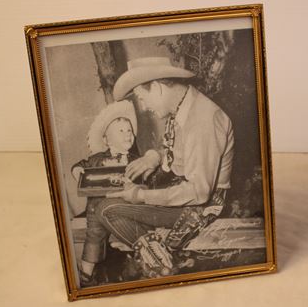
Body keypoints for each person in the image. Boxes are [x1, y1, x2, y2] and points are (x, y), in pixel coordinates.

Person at [93, 56, 235, 279]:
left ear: (157, 88)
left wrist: (140, 196)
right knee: (108, 202)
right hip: (185, 194)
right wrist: (154, 157)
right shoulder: (184, 108)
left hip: (201, 207)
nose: (144, 107)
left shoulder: (203, 120)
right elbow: (178, 151)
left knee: (105, 209)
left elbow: (198, 192)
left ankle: (161, 265)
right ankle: (159, 256)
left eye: (142, 98)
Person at [71, 99, 139, 286]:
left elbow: (146, 178)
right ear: (107, 140)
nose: (128, 134)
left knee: (135, 230)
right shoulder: (97, 159)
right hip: (98, 207)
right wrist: (78, 172)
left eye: (130, 130)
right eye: (121, 131)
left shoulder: (136, 159)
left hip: (126, 207)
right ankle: (86, 273)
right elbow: (80, 166)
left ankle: (136, 265)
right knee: (94, 235)